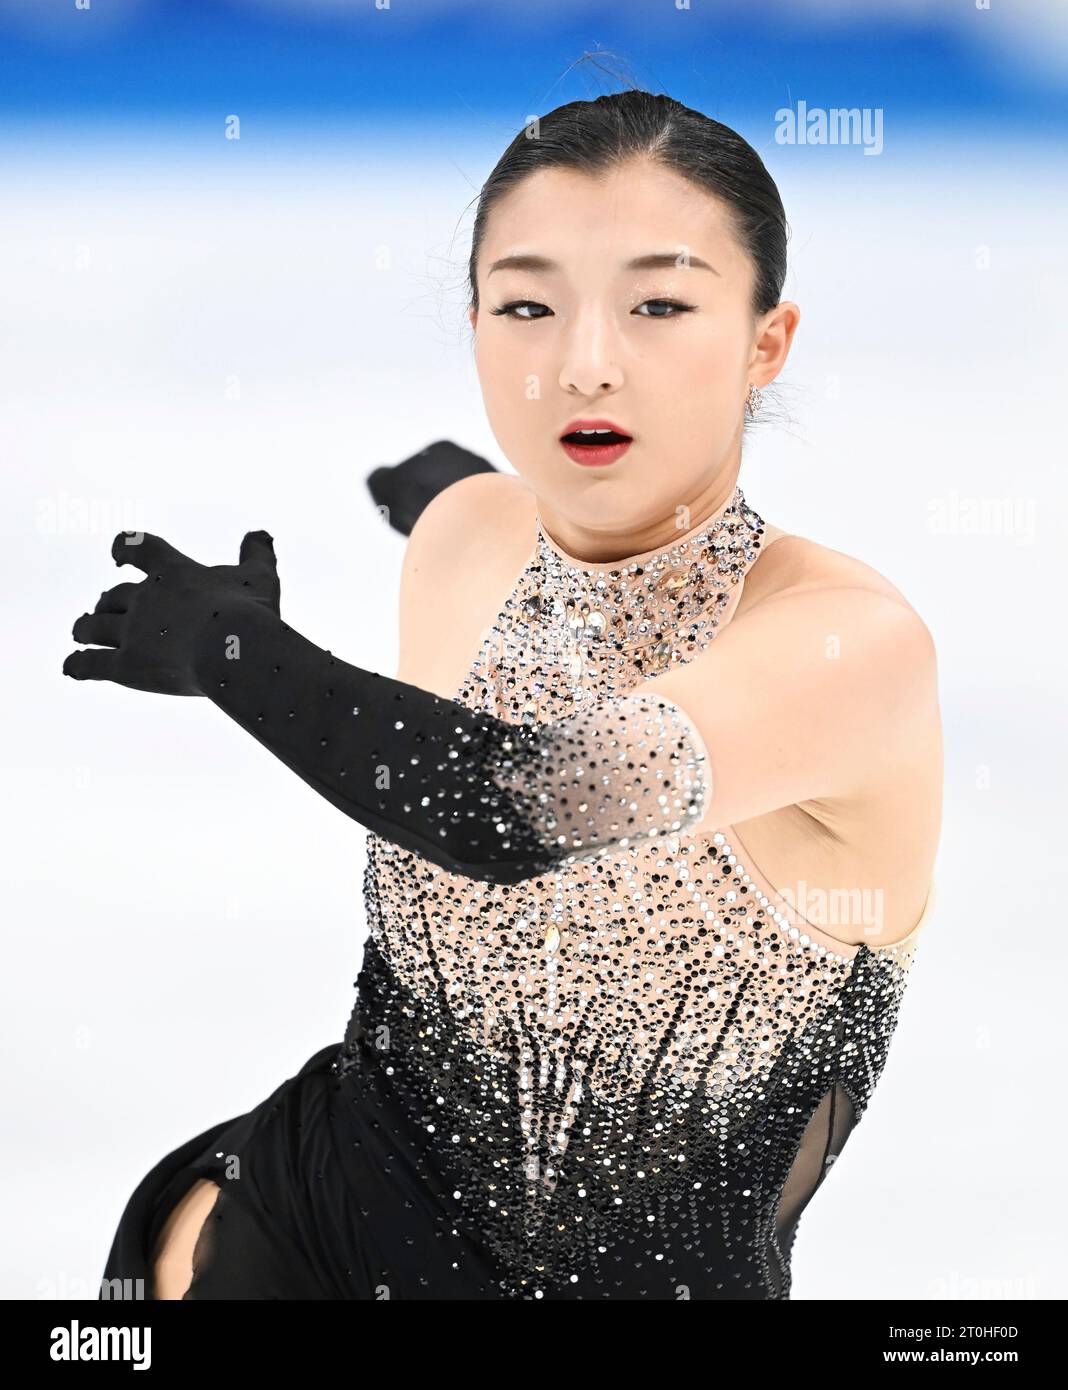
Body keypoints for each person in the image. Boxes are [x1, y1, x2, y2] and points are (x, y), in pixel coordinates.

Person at [65, 89, 942, 1301]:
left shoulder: (851, 647)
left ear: (764, 343)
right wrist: (455, 487)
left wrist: (230, 652)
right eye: (526, 306)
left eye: (661, 305)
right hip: (273, 1231)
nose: (584, 361)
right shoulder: (470, 539)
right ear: (475, 324)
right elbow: (557, 559)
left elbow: (512, 801)